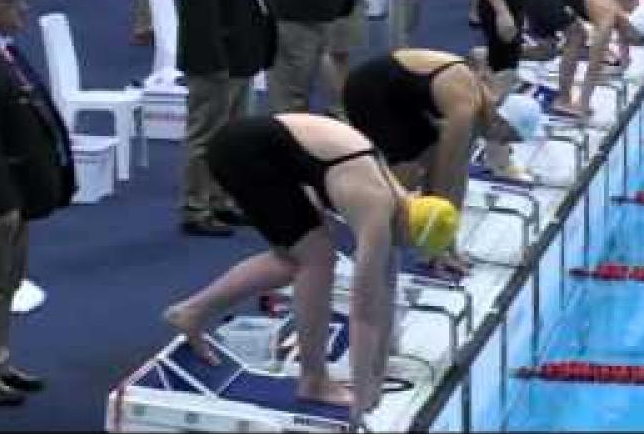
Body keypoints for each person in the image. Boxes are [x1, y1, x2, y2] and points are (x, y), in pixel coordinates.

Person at [163, 112, 460, 413]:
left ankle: (191, 311)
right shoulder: (376, 209)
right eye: (407, 244)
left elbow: (386, 295)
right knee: (317, 259)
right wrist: (362, 398)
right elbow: (365, 313)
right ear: (408, 228)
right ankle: (314, 381)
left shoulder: (402, 206)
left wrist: (377, 377)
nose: (400, 248)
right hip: (245, 151)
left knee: (293, 261)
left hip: (266, 149)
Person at [0, 0, 76, 406]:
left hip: (18, 196)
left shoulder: (1, 50)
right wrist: (2, 201)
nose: (24, 8)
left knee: (7, 285)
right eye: (13, 1)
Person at [175, 0, 277, 236]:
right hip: (215, 63)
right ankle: (196, 207)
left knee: (228, 136)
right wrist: (215, 64)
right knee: (206, 136)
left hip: (238, 59)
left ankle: (220, 200)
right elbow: (200, 16)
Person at [340, 48, 544, 226]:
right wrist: (440, 240)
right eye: (507, 138)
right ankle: (350, 202)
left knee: (428, 161)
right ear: (501, 121)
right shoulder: (466, 112)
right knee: (405, 179)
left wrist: (449, 235)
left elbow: (459, 176)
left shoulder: (480, 109)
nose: (504, 145)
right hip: (369, 91)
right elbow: (444, 179)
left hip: (402, 99)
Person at [524, 0, 644, 118]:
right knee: (576, 36)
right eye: (641, 40)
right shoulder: (608, 20)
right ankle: (563, 100)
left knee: (547, 51)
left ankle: (506, 54)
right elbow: (594, 66)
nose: (637, 44)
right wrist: (583, 104)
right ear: (634, 29)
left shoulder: (619, 15)